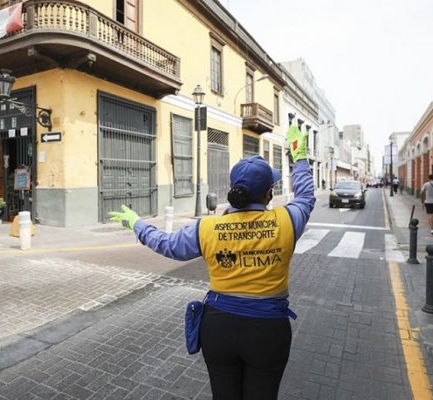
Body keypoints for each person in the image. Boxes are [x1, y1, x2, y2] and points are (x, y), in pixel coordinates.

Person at [109, 123, 315, 400]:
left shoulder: (206, 228)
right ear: (268, 193)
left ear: (233, 189)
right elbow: (305, 196)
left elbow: (167, 245)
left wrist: (137, 224)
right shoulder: (286, 221)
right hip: (268, 330)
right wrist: (299, 157)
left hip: (218, 328)